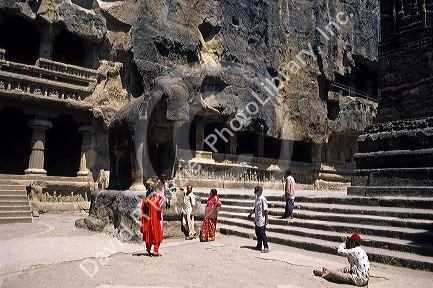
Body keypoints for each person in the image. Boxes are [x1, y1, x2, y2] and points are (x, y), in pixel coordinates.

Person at [140, 179, 165, 257]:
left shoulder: (145, 200)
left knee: (149, 236)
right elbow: (159, 211)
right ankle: (155, 250)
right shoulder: (156, 200)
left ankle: (148, 250)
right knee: (157, 235)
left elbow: (142, 211)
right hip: (155, 221)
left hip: (147, 221)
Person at [248, 186, 269, 253]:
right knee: (257, 232)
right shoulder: (257, 198)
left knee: (262, 233)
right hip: (257, 218)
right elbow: (255, 208)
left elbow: (265, 210)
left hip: (261, 219)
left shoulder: (263, 199)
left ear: (259, 191)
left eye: (256, 190)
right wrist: (251, 214)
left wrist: (266, 219)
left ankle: (266, 247)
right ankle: (259, 245)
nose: (255, 192)